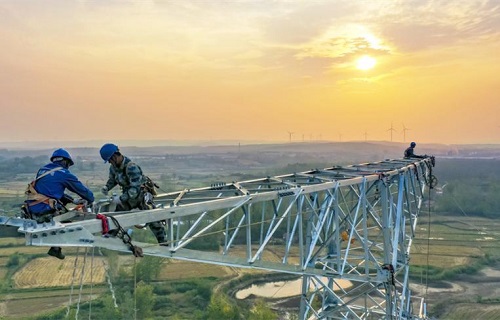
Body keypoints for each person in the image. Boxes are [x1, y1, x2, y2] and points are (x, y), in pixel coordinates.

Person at [24, 148, 95, 259]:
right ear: (65, 162)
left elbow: (49, 191)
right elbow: (82, 190)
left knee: (61, 207)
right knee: (68, 219)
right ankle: (56, 248)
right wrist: (91, 199)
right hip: (44, 209)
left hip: (31, 208)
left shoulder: (42, 170)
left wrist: (72, 200)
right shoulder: (63, 173)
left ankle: (55, 248)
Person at [99, 143, 167, 245]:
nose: (110, 162)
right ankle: (111, 235)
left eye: (110, 160)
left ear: (115, 156)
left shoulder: (131, 167)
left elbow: (135, 189)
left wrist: (121, 198)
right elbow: (113, 180)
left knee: (152, 219)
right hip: (129, 197)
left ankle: (164, 243)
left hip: (140, 196)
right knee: (117, 215)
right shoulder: (114, 168)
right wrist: (107, 187)